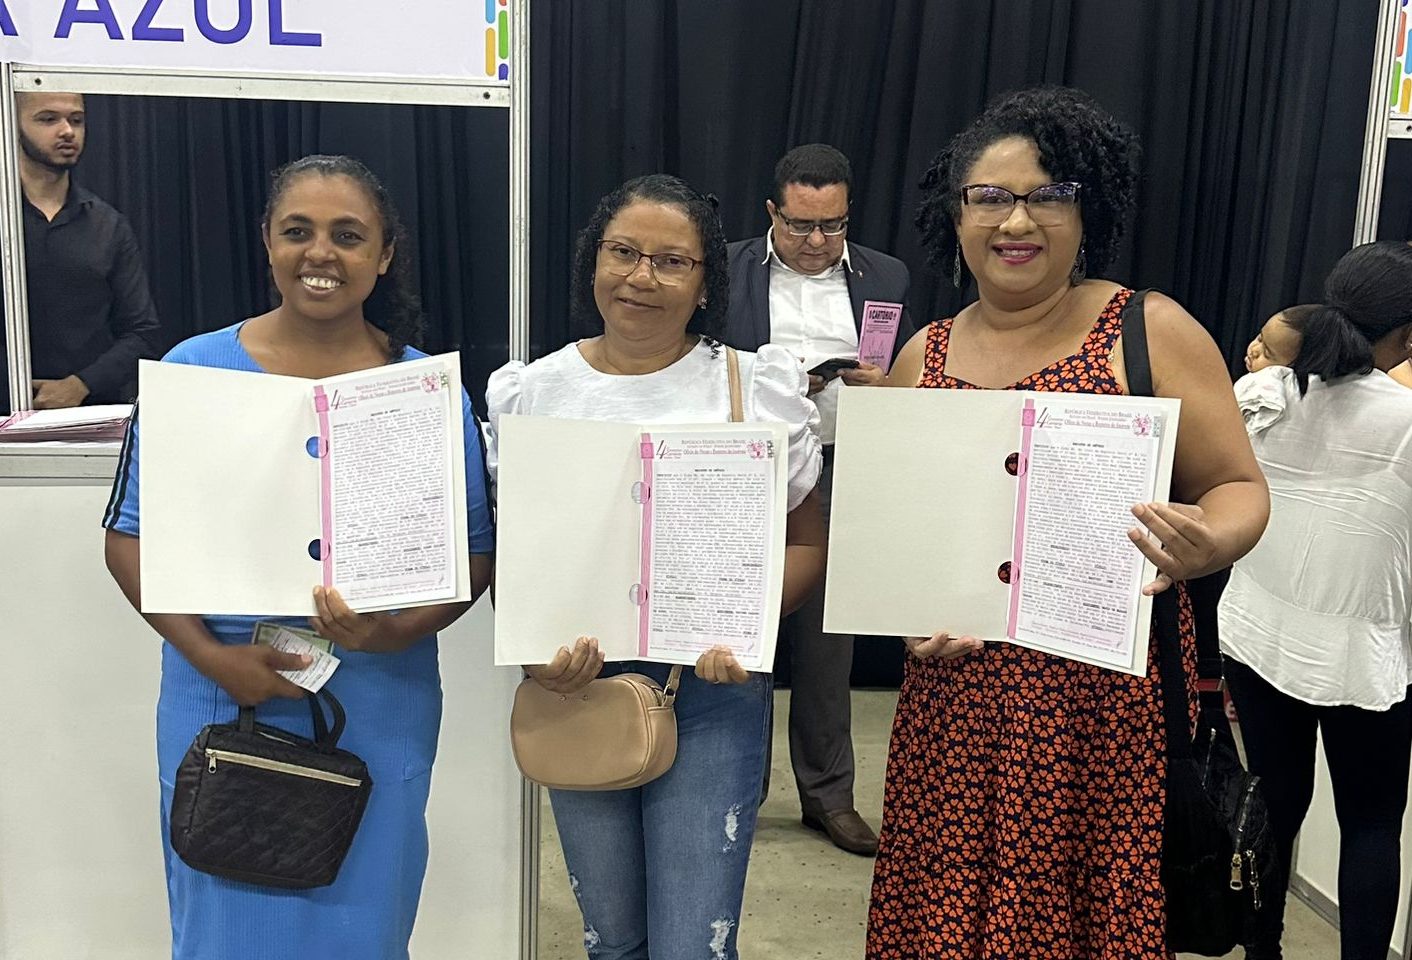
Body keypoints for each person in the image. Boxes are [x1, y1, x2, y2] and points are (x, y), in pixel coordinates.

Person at [866, 87, 1269, 957]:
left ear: (1089, 213)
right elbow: (897, 543)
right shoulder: (922, 358)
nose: (1018, 219)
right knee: (946, 915)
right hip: (955, 710)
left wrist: (1209, 541)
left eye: (1048, 195)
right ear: (957, 214)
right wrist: (906, 621)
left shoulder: (1147, 331)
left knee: (1083, 917)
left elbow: (1239, 487)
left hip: (1104, 713)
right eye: (990, 196)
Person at [101, 155, 495, 959]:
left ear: (384, 255)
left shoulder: (423, 391)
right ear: (267, 242)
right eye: (298, 231)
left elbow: (474, 555)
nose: (321, 253)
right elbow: (127, 539)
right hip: (220, 691)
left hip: (377, 694)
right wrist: (211, 656)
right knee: (224, 925)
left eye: (348, 236)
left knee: (365, 920)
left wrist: (393, 632)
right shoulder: (193, 371)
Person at [485, 173, 826, 960]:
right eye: (623, 252)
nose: (641, 276)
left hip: (712, 690)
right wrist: (534, 650)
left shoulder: (754, 388)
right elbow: (515, 553)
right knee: (611, 941)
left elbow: (807, 543)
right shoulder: (534, 393)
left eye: (672, 261)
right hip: (579, 687)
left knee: (692, 947)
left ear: (706, 283)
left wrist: (745, 624)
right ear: (594, 261)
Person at [1218, 241, 1412, 960]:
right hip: (1363, 656)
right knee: (1371, 824)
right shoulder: (1406, 419)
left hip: (1257, 631)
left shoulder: (1263, 393)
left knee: (1273, 803)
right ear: (1408, 336)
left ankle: (1260, 952)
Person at [723, 143, 914, 856]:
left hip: (838, 468)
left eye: (832, 225)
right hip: (744, 468)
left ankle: (828, 797)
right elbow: (699, 358)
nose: (816, 241)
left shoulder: (886, 275)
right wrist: (777, 387)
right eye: (801, 225)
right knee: (738, 636)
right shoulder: (728, 268)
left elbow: (907, 367)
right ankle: (732, 793)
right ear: (772, 212)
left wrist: (883, 386)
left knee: (829, 645)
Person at [2, 91, 160, 413]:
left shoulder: (109, 225)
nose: (67, 131)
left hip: (87, 417)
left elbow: (142, 333)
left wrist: (80, 385)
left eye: (76, 120)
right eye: (48, 119)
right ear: (12, 123)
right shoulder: (6, 214)